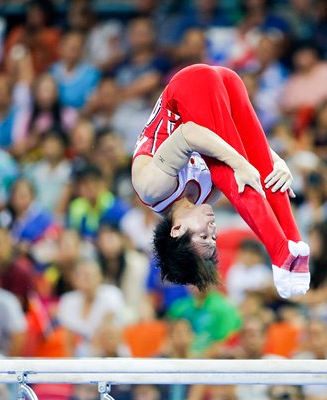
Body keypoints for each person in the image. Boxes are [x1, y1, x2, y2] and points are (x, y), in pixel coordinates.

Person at [131, 64, 310, 299]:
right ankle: (294, 242)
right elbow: (239, 142)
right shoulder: (208, 196)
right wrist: (274, 161)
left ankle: (279, 251)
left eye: (204, 236)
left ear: (177, 230)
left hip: (189, 85)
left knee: (227, 170)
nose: (213, 229)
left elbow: (190, 133)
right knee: (257, 176)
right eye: (213, 238)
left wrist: (239, 163)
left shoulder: (151, 188)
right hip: (226, 83)